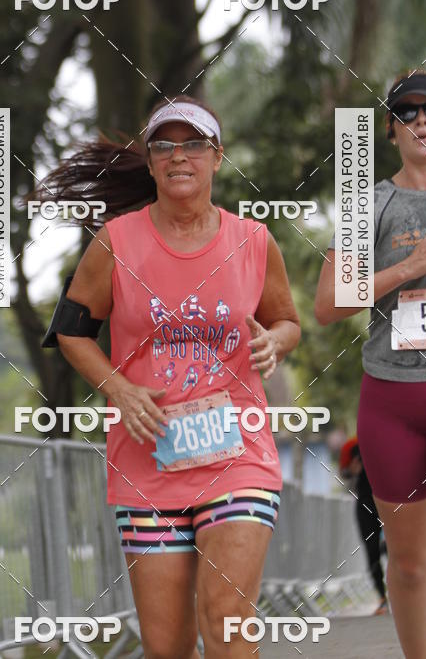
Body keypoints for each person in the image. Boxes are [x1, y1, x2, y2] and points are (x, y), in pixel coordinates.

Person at [39, 96, 301, 658]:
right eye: (165, 145)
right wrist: (118, 387)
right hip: (147, 463)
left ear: (216, 157)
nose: (179, 156)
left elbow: (288, 320)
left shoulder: (254, 241)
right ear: (153, 161)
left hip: (237, 455)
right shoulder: (116, 242)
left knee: (226, 620)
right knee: (167, 647)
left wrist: (275, 341)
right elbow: (70, 331)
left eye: (193, 145)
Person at [315, 70, 426, 659]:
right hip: (391, 398)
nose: (421, 120)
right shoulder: (371, 205)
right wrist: (408, 268)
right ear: (391, 130)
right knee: (407, 563)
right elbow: (327, 304)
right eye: (406, 112)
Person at [338, 436, 387, 614]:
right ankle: (382, 598)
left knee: (396, 548)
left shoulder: (385, 439)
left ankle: (403, 592)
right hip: (365, 502)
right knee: (371, 551)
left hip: (389, 499)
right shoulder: (351, 446)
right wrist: (352, 470)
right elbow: (343, 473)